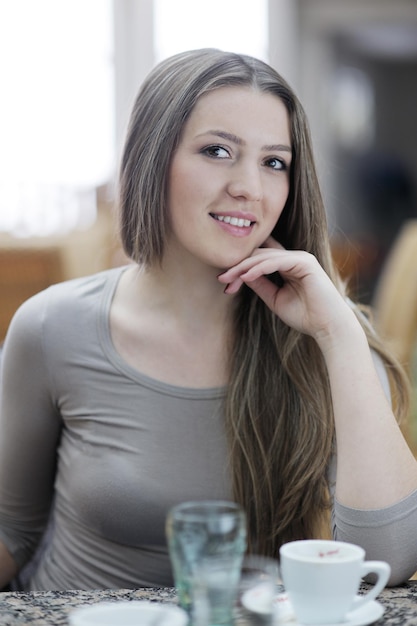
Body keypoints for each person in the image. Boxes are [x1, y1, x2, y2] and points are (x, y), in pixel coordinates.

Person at [1, 48, 417, 592]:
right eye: (217, 151)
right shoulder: (51, 327)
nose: (250, 187)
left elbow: (383, 566)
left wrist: (338, 335)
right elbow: (11, 531)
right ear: (152, 159)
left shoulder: (330, 338)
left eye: (274, 162)